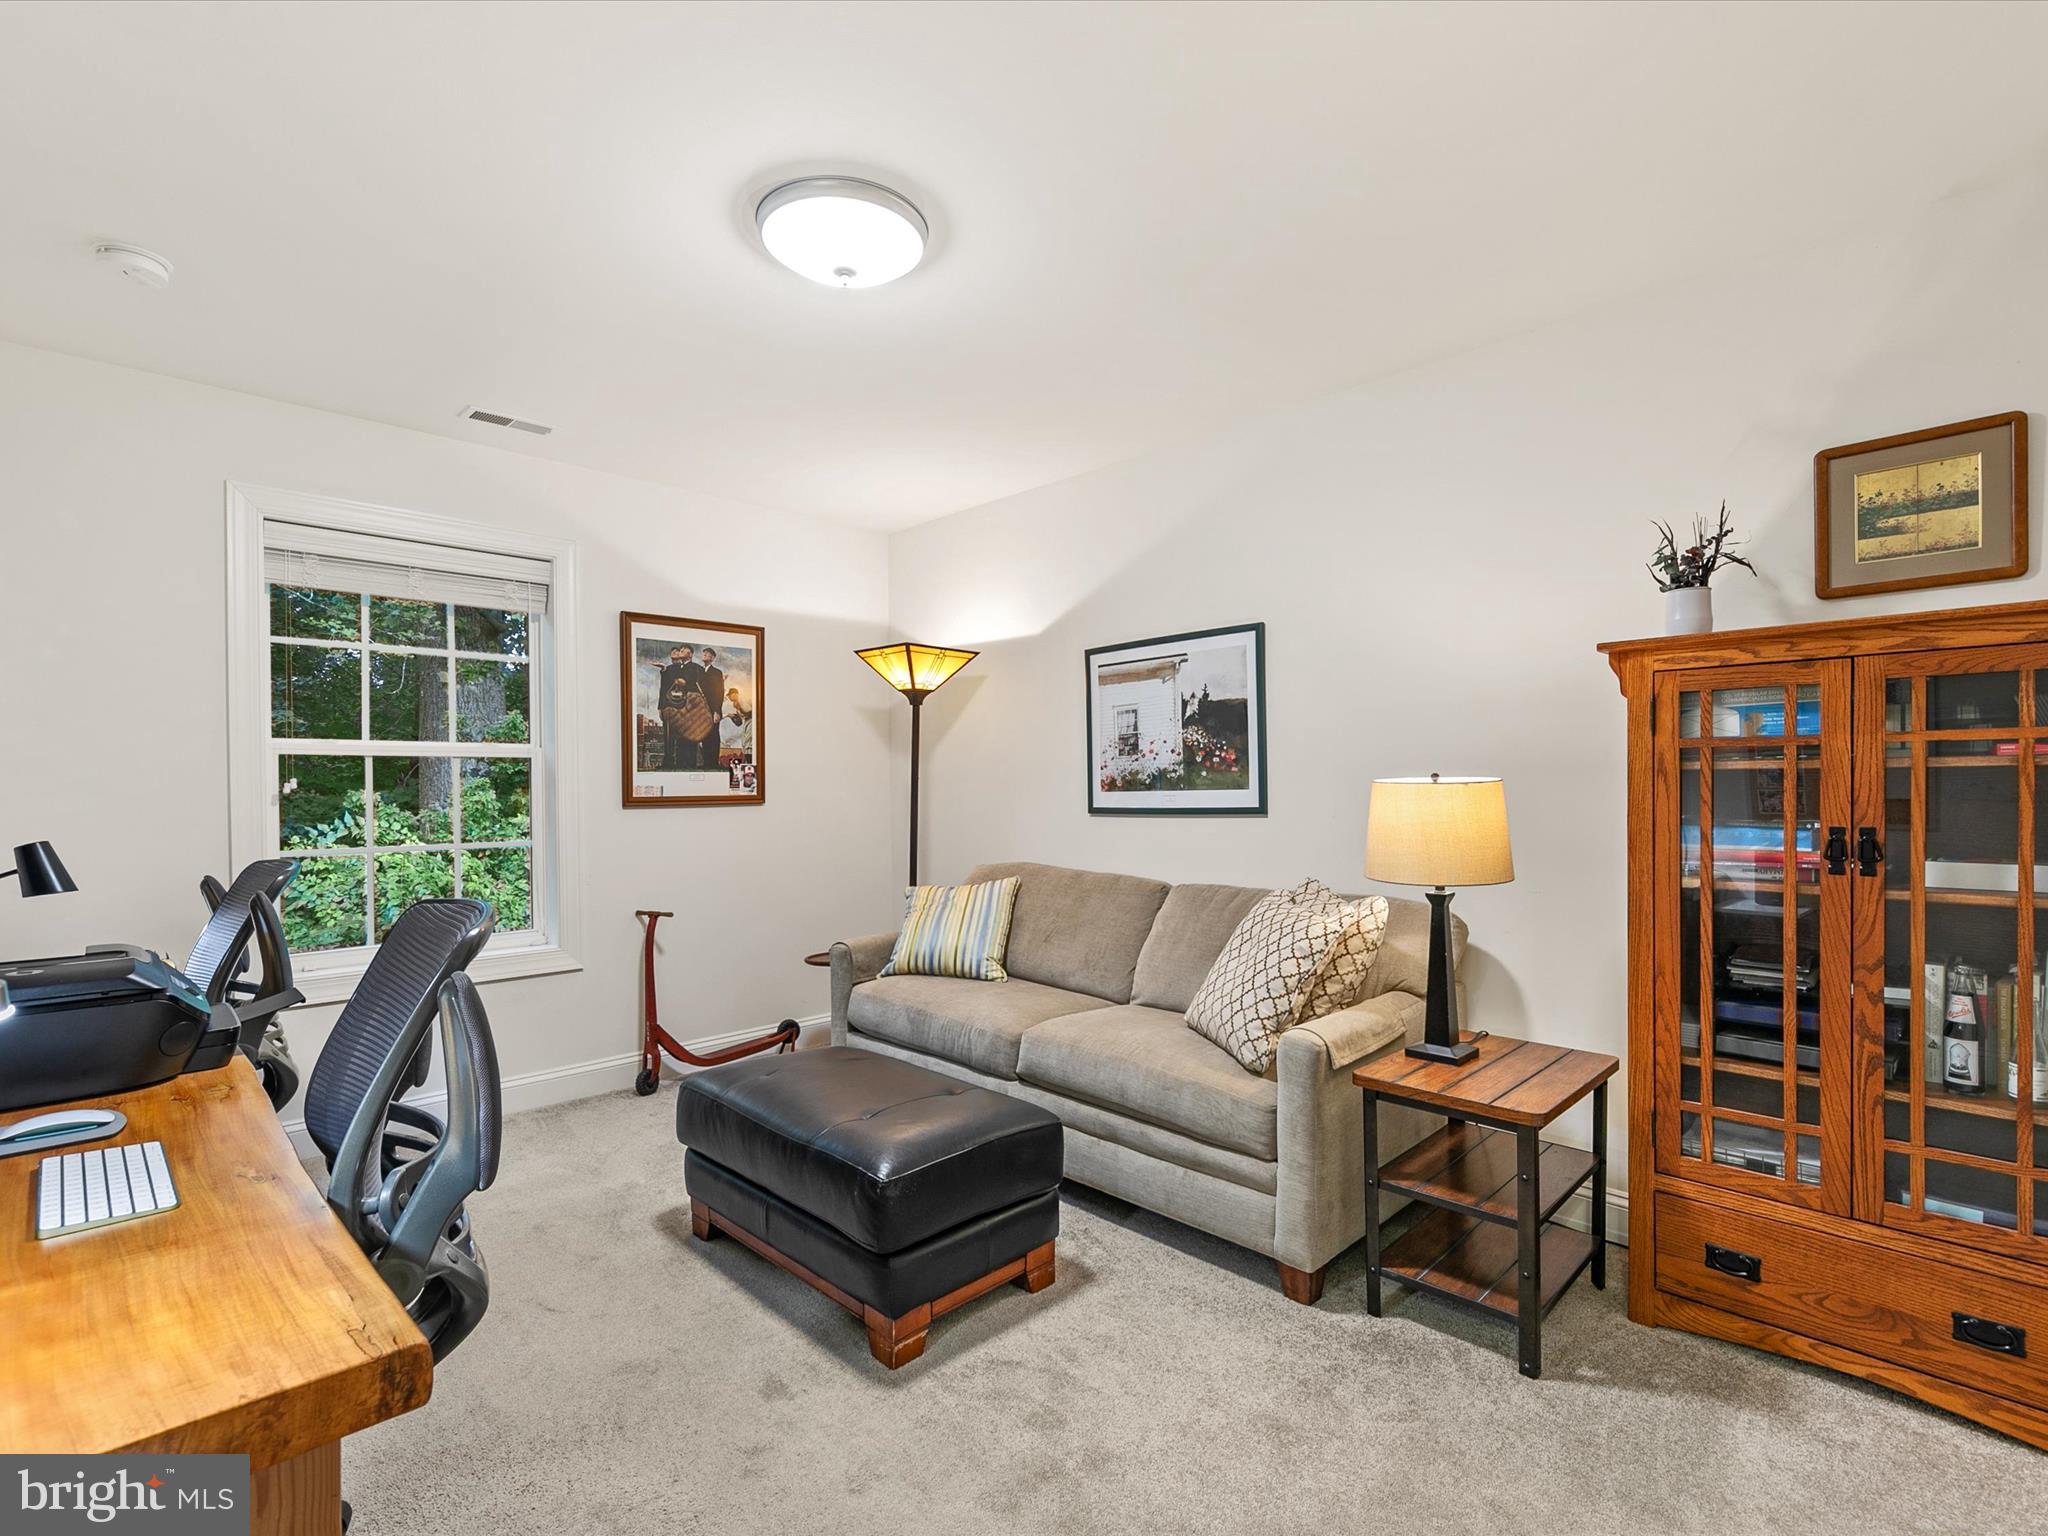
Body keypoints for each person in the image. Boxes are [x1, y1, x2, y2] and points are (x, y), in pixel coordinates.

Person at [658, 645, 703, 771]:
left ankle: (690, 763)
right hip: (680, 706)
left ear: (690, 654)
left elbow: (695, 683)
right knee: (681, 735)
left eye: (683, 650)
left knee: (690, 734)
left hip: (690, 705)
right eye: (679, 650)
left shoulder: (696, 667)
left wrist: (685, 683)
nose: (680, 652)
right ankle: (681, 763)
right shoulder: (679, 667)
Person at [696, 647, 726, 770]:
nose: (705, 655)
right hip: (702, 710)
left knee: (714, 736)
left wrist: (717, 711)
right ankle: (706, 762)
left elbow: (719, 693)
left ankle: (713, 762)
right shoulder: (700, 672)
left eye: (707, 654)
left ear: (712, 658)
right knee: (705, 735)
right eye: (704, 654)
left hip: (713, 709)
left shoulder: (717, 672)